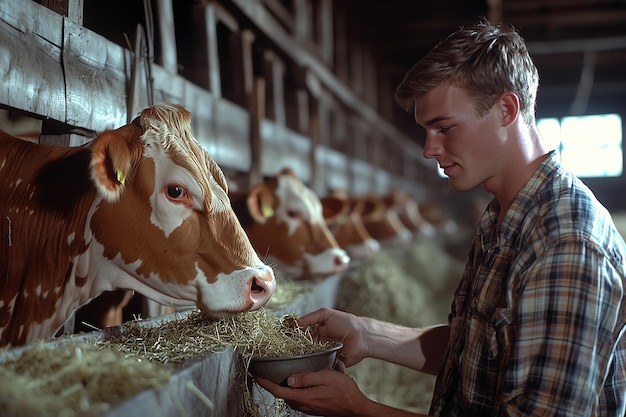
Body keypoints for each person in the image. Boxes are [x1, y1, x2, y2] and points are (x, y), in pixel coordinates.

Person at [255, 19, 626, 416]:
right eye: (426, 131)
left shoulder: (565, 244)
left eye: (444, 128)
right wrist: (368, 332)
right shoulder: (502, 218)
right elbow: (478, 351)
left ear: (506, 109)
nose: (429, 150)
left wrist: (358, 409)